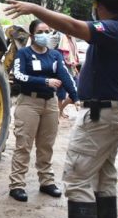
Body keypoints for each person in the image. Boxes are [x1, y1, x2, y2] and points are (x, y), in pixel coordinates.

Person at [6, 0, 118, 218]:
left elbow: (72, 26)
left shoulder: (112, 31)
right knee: (104, 176)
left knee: (78, 178)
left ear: (98, 4)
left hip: (101, 114)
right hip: (114, 110)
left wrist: (35, 8)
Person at [8, 19, 78, 202]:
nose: (45, 35)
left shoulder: (54, 55)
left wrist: (76, 97)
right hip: (28, 103)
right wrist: (44, 81)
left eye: (48, 31)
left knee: (46, 145)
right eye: (41, 31)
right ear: (32, 35)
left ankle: (46, 181)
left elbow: (65, 75)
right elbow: (19, 76)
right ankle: (17, 185)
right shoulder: (23, 54)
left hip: (51, 104)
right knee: (23, 145)